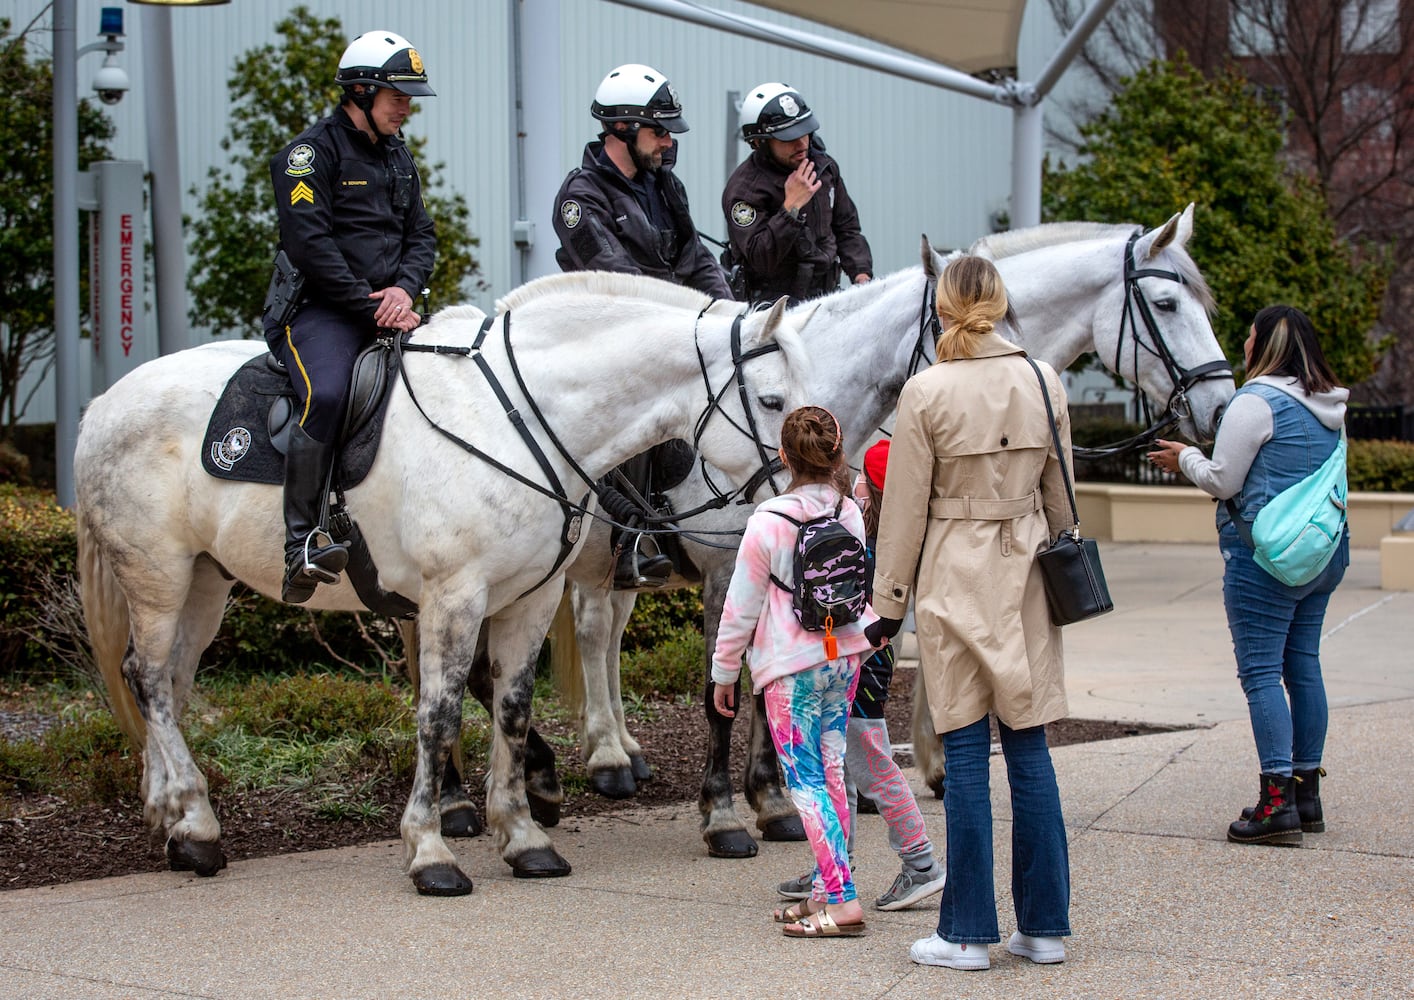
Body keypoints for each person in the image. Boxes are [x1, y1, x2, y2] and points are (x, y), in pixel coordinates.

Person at [868, 255, 1072, 971]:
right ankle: (1044, 927)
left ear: (946, 308)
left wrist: (885, 608)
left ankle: (966, 934)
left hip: (956, 570)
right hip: (1025, 575)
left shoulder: (925, 392)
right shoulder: (1044, 380)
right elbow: (1064, 499)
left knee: (963, 751)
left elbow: (903, 513)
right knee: (1029, 746)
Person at [1148, 304, 1349, 847]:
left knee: (1261, 673)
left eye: (1248, 337)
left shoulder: (1255, 402)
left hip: (1265, 559)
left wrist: (1186, 458)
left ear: (1263, 344)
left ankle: (1275, 804)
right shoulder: (1332, 404)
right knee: (1302, 665)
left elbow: (1223, 479)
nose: (1242, 346)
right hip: (1322, 555)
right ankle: (1306, 794)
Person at [264, 29, 436, 604]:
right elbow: (311, 246)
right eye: (398, 95)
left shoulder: (398, 155)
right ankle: (301, 543)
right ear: (360, 91)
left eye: (409, 96)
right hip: (320, 312)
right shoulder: (308, 156)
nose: (407, 106)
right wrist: (371, 303)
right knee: (330, 395)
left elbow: (422, 235)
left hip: (391, 310)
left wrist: (404, 293)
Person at [552, 63, 732, 589]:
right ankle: (629, 535)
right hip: (607, 333)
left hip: (668, 326)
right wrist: (686, 318)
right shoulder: (578, 198)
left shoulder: (664, 185)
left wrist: (729, 316)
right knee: (636, 405)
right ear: (622, 129)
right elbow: (619, 280)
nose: (668, 141)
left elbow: (697, 258)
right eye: (659, 130)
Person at [711, 406, 878, 938]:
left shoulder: (768, 521)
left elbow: (741, 605)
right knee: (831, 772)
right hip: (843, 657)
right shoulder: (849, 512)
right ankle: (827, 890)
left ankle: (845, 902)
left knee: (805, 782)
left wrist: (724, 671)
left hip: (791, 668)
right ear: (835, 453)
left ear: (783, 456)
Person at [777, 439, 947, 912]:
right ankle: (835, 866)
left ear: (869, 489)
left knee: (870, 765)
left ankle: (922, 863)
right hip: (872, 657)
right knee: (845, 766)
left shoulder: (860, 538)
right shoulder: (892, 538)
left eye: (861, 480)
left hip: (856, 659)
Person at [721, 83, 872, 304]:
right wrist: (790, 207)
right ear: (759, 141)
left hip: (827, 298)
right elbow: (760, 257)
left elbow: (846, 227)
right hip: (773, 310)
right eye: (788, 137)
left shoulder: (823, 167)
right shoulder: (744, 190)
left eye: (805, 131)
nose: (801, 143)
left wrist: (862, 275)